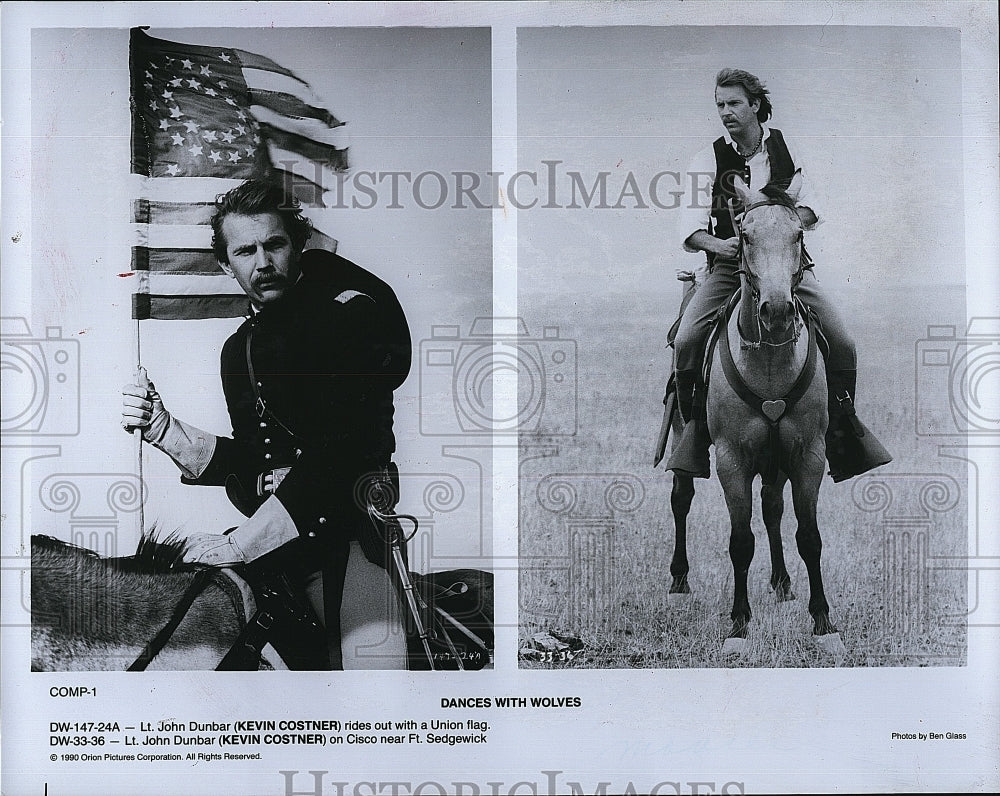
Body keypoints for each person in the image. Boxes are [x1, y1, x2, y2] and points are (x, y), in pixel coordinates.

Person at [122, 179, 413, 669]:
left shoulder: (348, 318)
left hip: (344, 541)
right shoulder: (239, 351)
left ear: (298, 245)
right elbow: (252, 459)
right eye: (246, 250)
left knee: (376, 676)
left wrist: (238, 543)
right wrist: (164, 430)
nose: (263, 262)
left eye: (274, 244)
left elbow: (340, 456)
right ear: (225, 263)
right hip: (272, 551)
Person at [667, 67, 890, 482]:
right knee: (685, 341)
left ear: (755, 105)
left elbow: (813, 208)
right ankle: (696, 433)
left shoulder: (789, 151)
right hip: (728, 268)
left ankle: (843, 430)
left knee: (842, 340)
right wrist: (722, 246)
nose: (726, 112)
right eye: (720, 105)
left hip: (788, 268)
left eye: (734, 103)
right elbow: (690, 229)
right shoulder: (706, 160)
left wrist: (780, 227)